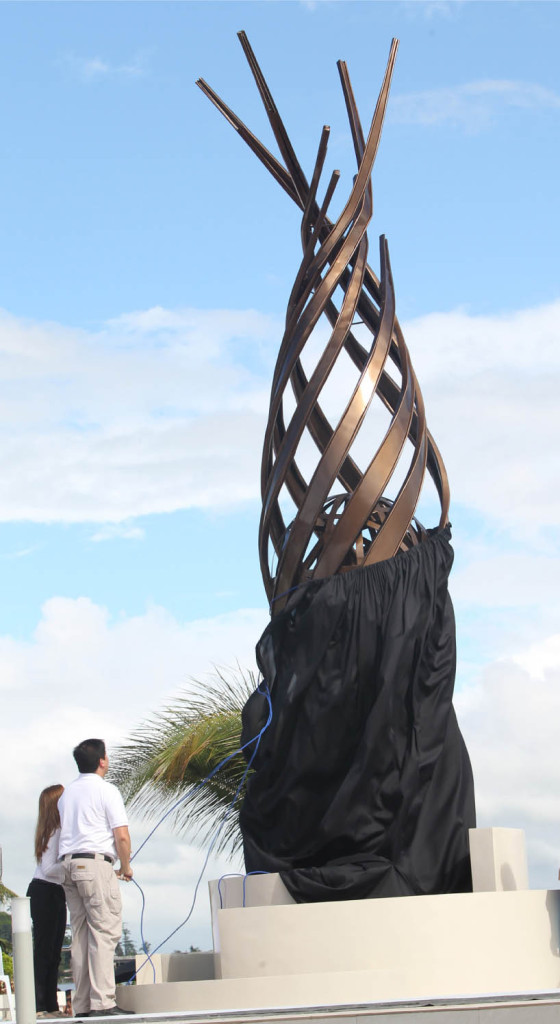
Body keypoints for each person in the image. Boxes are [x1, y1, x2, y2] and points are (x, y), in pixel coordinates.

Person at [58, 739, 133, 1018]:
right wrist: (126, 867)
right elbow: (121, 835)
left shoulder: (67, 794)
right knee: (104, 931)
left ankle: (83, 1005)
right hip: (95, 865)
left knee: (80, 936)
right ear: (102, 761)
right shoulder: (106, 790)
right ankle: (103, 1003)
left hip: (69, 865)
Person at [26, 784, 67, 1018]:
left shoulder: (55, 830)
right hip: (45, 891)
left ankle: (50, 1004)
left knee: (53, 952)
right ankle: (41, 1005)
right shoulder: (54, 832)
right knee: (44, 951)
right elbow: (50, 868)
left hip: (52, 891)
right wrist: (71, 869)